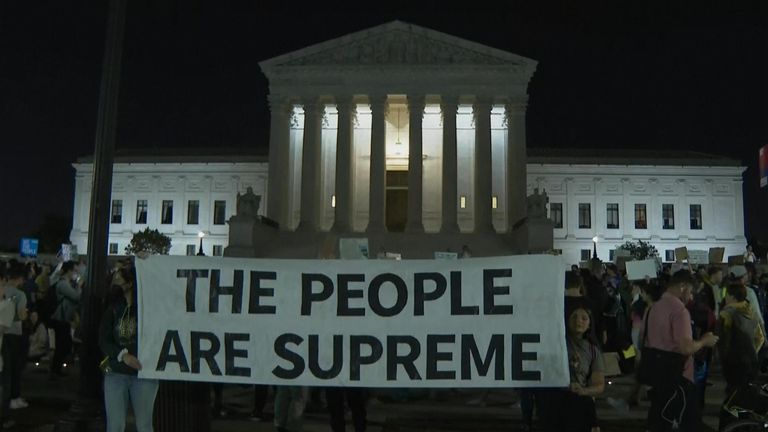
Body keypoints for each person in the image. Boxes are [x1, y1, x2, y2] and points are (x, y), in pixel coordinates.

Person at [643, 270, 719, 432]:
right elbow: (686, 348)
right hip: (679, 377)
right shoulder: (679, 311)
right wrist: (705, 341)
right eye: (690, 291)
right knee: (688, 423)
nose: (690, 297)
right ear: (683, 286)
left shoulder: (654, 307)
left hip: (658, 374)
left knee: (660, 421)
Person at [99, 266, 159, 432]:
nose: (115, 283)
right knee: (115, 426)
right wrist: (122, 355)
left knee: (145, 425)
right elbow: (104, 340)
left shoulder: (149, 308)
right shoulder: (113, 308)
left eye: (119, 280)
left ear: (130, 283)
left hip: (144, 373)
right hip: (116, 373)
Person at [538, 304, 605, 432]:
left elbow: (599, 385)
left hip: (579, 401)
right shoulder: (555, 343)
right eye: (574, 317)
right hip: (554, 399)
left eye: (584, 318)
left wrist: (583, 390)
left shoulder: (593, 351)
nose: (578, 321)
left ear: (590, 324)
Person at [2, 263, 28, 411]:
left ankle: (8, 398)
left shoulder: (3, 290)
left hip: (3, 333)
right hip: (14, 333)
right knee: (15, 366)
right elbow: (21, 315)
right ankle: (14, 397)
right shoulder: (20, 295)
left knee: (6, 367)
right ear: (20, 278)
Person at [48, 261, 81, 379]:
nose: (76, 273)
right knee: (63, 345)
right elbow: (77, 297)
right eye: (75, 271)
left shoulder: (66, 283)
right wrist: (79, 285)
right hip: (60, 318)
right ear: (69, 271)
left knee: (63, 344)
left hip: (63, 318)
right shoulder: (63, 284)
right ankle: (55, 369)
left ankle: (56, 368)